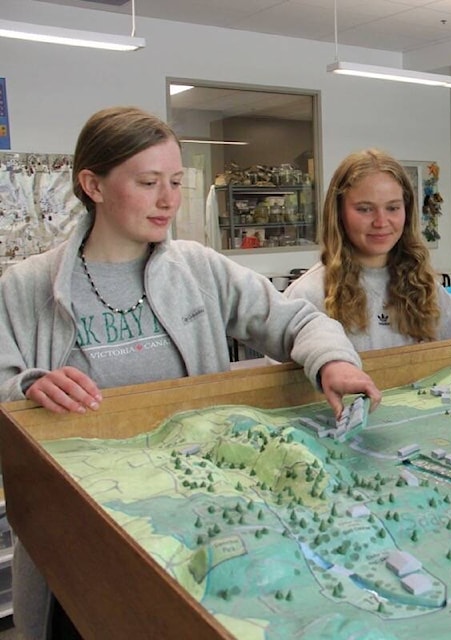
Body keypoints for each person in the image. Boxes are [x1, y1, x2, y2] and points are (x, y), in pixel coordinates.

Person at [0, 106, 382, 638]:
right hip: (86, 543)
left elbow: (296, 320)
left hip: (198, 531)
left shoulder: (198, 268)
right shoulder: (25, 286)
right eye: (149, 182)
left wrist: (332, 361)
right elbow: (3, 383)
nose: (169, 200)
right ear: (93, 185)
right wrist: (25, 386)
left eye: (177, 181)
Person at [284, 149, 451, 351]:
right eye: (364, 209)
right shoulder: (307, 295)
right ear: (339, 213)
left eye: (393, 208)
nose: (381, 222)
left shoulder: (427, 289)